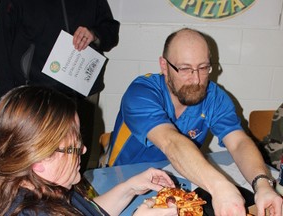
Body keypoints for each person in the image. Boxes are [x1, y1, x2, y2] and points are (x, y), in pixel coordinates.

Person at [105, 28, 283, 215]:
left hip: (182, 179)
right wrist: (220, 187)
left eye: (203, 67)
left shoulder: (214, 96)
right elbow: (170, 142)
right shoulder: (141, 93)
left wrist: (262, 183)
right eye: (185, 69)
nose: (196, 79)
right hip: (125, 182)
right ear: (164, 66)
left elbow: (238, 142)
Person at [0, 85, 178, 216]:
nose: (82, 150)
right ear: (39, 160)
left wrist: (130, 188)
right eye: (73, 148)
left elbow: (85, 210)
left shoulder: (45, 188)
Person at [0, 0, 120, 172]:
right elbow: (2, 43)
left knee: (80, 162)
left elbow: (111, 32)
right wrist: (8, 96)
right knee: (40, 166)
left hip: (83, 92)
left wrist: (94, 34)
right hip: (38, 95)